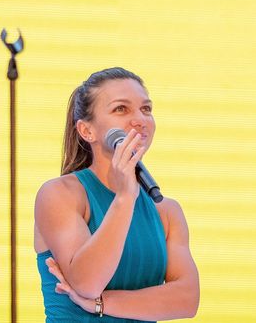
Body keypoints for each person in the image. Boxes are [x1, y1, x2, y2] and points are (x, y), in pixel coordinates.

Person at [34, 67, 200, 322]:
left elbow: (186, 300)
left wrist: (102, 303)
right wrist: (124, 198)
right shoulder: (60, 194)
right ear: (87, 131)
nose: (139, 119)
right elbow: (87, 282)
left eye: (146, 109)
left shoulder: (166, 211)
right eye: (121, 109)